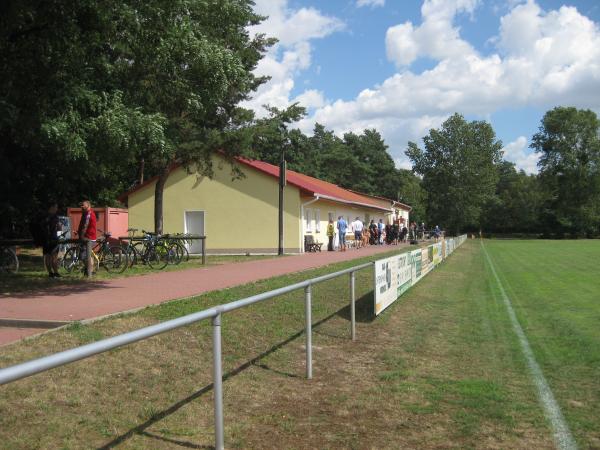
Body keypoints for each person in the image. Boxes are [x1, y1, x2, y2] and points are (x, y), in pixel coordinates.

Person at [42, 202, 62, 278]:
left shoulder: (44, 216)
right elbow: (59, 227)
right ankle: (56, 273)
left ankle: (50, 273)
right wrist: (60, 236)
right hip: (53, 239)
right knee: (54, 257)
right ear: (52, 207)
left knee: (47, 256)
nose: (57, 209)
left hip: (45, 239)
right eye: (56, 207)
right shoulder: (55, 217)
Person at [77, 200, 97, 276]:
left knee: (84, 255)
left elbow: (85, 225)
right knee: (86, 255)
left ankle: (90, 271)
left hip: (88, 238)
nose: (81, 207)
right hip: (86, 237)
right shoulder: (85, 214)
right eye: (81, 205)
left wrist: (81, 235)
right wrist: (78, 231)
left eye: (83, 205)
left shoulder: (89, 214)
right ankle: (89, 270)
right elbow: (83, 225)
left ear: (88, 205)